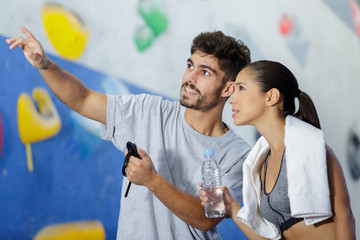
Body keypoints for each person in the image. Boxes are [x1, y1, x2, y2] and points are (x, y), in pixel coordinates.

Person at [7, 26, 252, 239]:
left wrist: (152, 181)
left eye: (205, 72)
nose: (190, 77)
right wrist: (45, 65)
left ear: (228, 88)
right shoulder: (149, 110)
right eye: (190, 65)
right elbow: (83, 98)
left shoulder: (236, 154)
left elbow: (206, 217)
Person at [199, 60, 356, 239]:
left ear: (271, 97)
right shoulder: (261, 163)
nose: (232, 99)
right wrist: (232, 206)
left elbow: (345, 218)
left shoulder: (310, 147)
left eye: (241, 88)